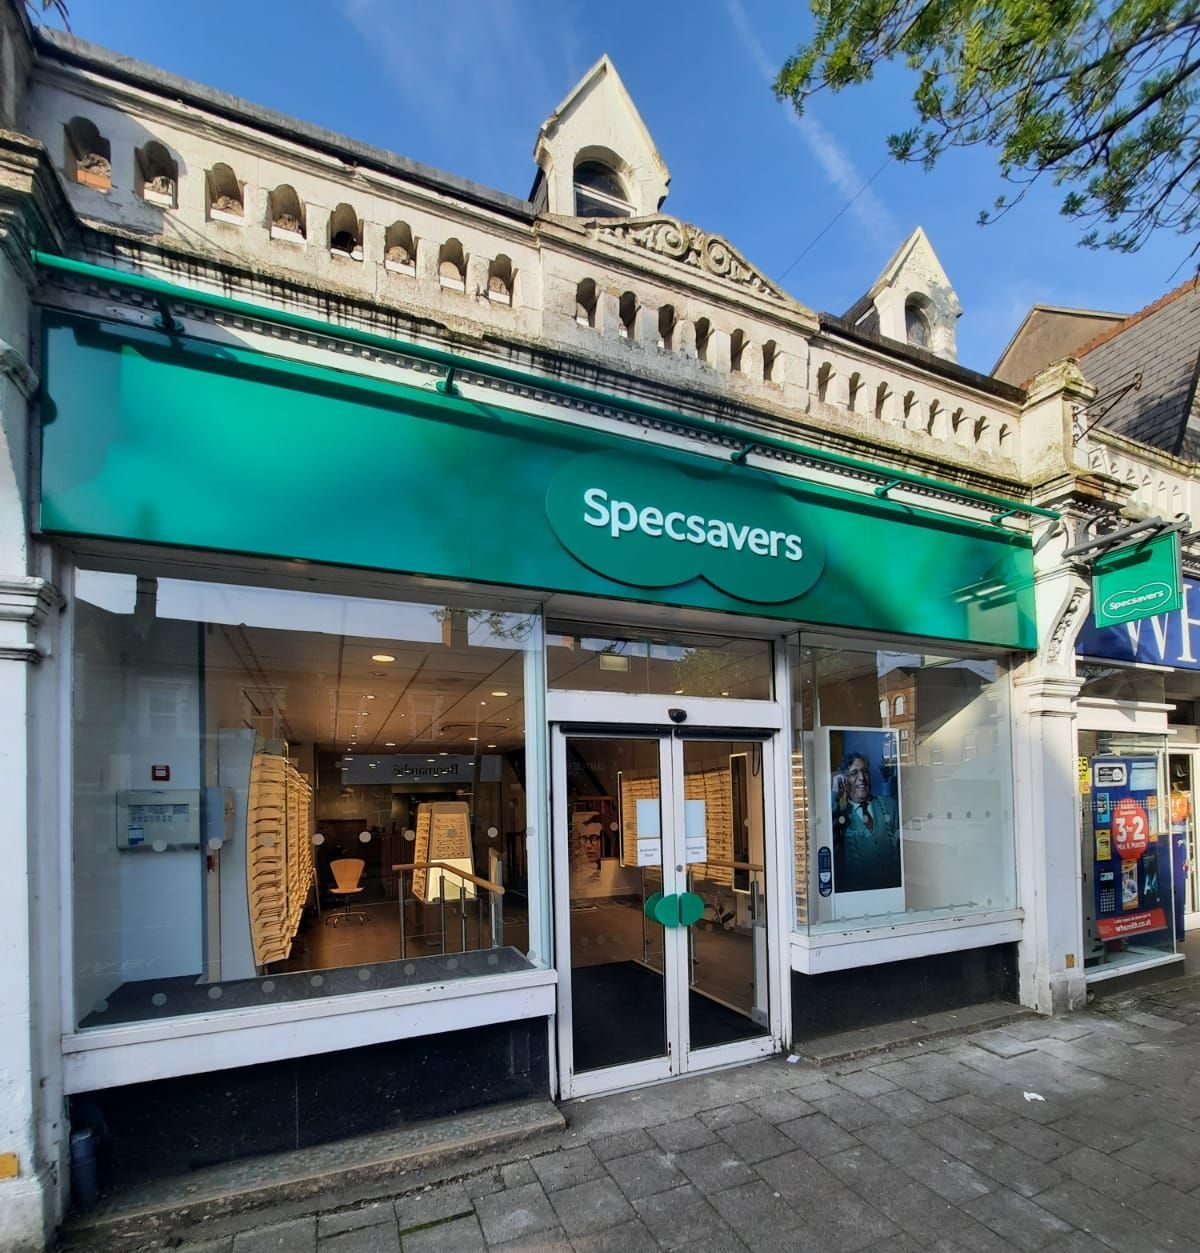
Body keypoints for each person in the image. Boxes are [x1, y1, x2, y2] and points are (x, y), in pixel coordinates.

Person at [832, 751, 901, 893]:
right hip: (858, 897)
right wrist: (835, 794)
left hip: (893, 894)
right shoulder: (840, 815)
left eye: (865, 772)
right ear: (844, 780)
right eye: (854, 773)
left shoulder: (890, 806)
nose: (862, 778)